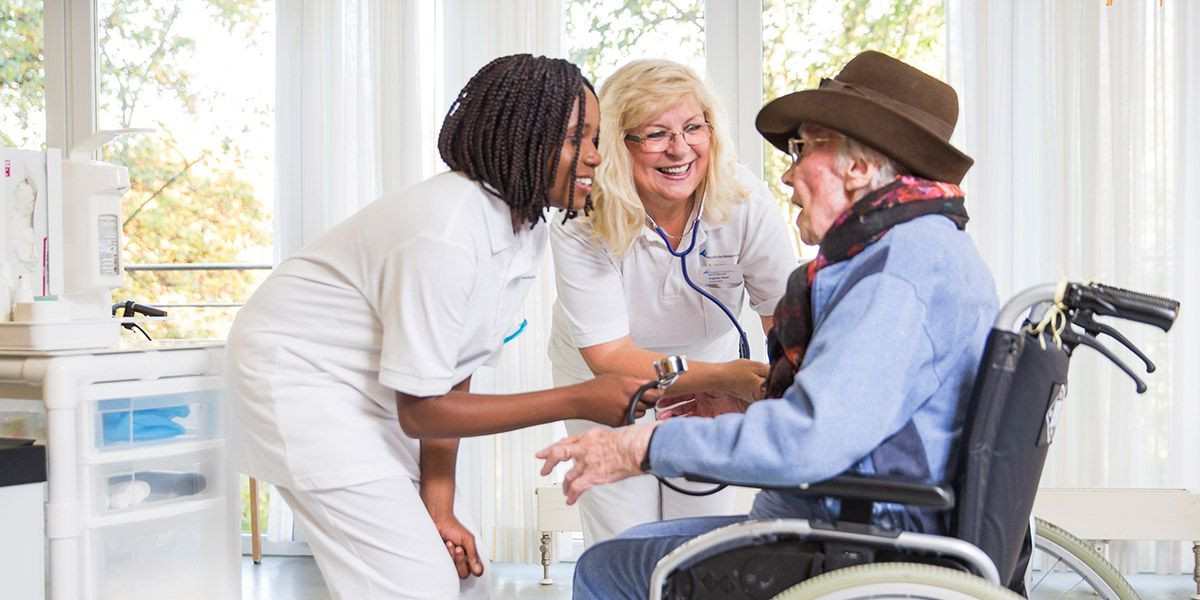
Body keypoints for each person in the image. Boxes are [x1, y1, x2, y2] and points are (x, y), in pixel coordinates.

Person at [536, 50, 1000, 599]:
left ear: (855, 168)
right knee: (625, 537)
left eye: (802, 148)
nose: (786, 170)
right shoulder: (916, 249)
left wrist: (647, 445)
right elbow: (844, 401)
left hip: (845, 533)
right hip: (831, 502)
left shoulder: (897, 274)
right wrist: (751, 397)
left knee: (609, 567)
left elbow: (812, 436)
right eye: (657, 133)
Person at [225, 54, 658, 600]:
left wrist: (439, 507)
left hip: (376, 388)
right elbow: (422, 408)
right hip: (297, 383)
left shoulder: (523, 227)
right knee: (417, 585)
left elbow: (454, 371)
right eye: (578, 139)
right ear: (523, 138)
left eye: (595, 138)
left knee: (464, 569)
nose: (597, 157)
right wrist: (578, 398)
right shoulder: (447, 231)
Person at [547, 59, 796, 546]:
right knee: (626, 536)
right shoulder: (583, 217)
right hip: (609, 383)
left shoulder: (743, 198)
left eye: (692, 128)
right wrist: (725, 377)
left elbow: (785, 325)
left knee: (699, 535)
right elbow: (610, 357)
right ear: (618, 144)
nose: (680, 149)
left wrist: (776, 397)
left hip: (713, 375)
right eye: (656, 134)